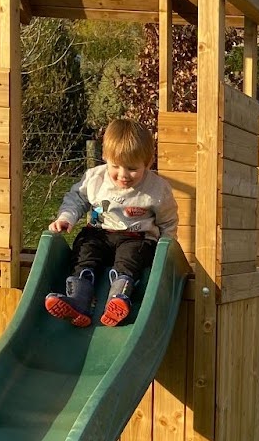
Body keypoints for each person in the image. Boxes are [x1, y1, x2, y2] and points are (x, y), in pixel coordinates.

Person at [45, 118, 179, 328]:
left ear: (148, 163)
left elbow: (168, 221)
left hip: (135, 237)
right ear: (105, 157)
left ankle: (118, 299)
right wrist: (66, 218)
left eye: (132, 168)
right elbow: (77, 199)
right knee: (84, 252)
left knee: (130, 259)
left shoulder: (157, 189)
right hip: (98, 232)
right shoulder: (95, 178)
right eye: (115, 166)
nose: (123, 175)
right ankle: (78, 300)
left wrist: (166, 252)